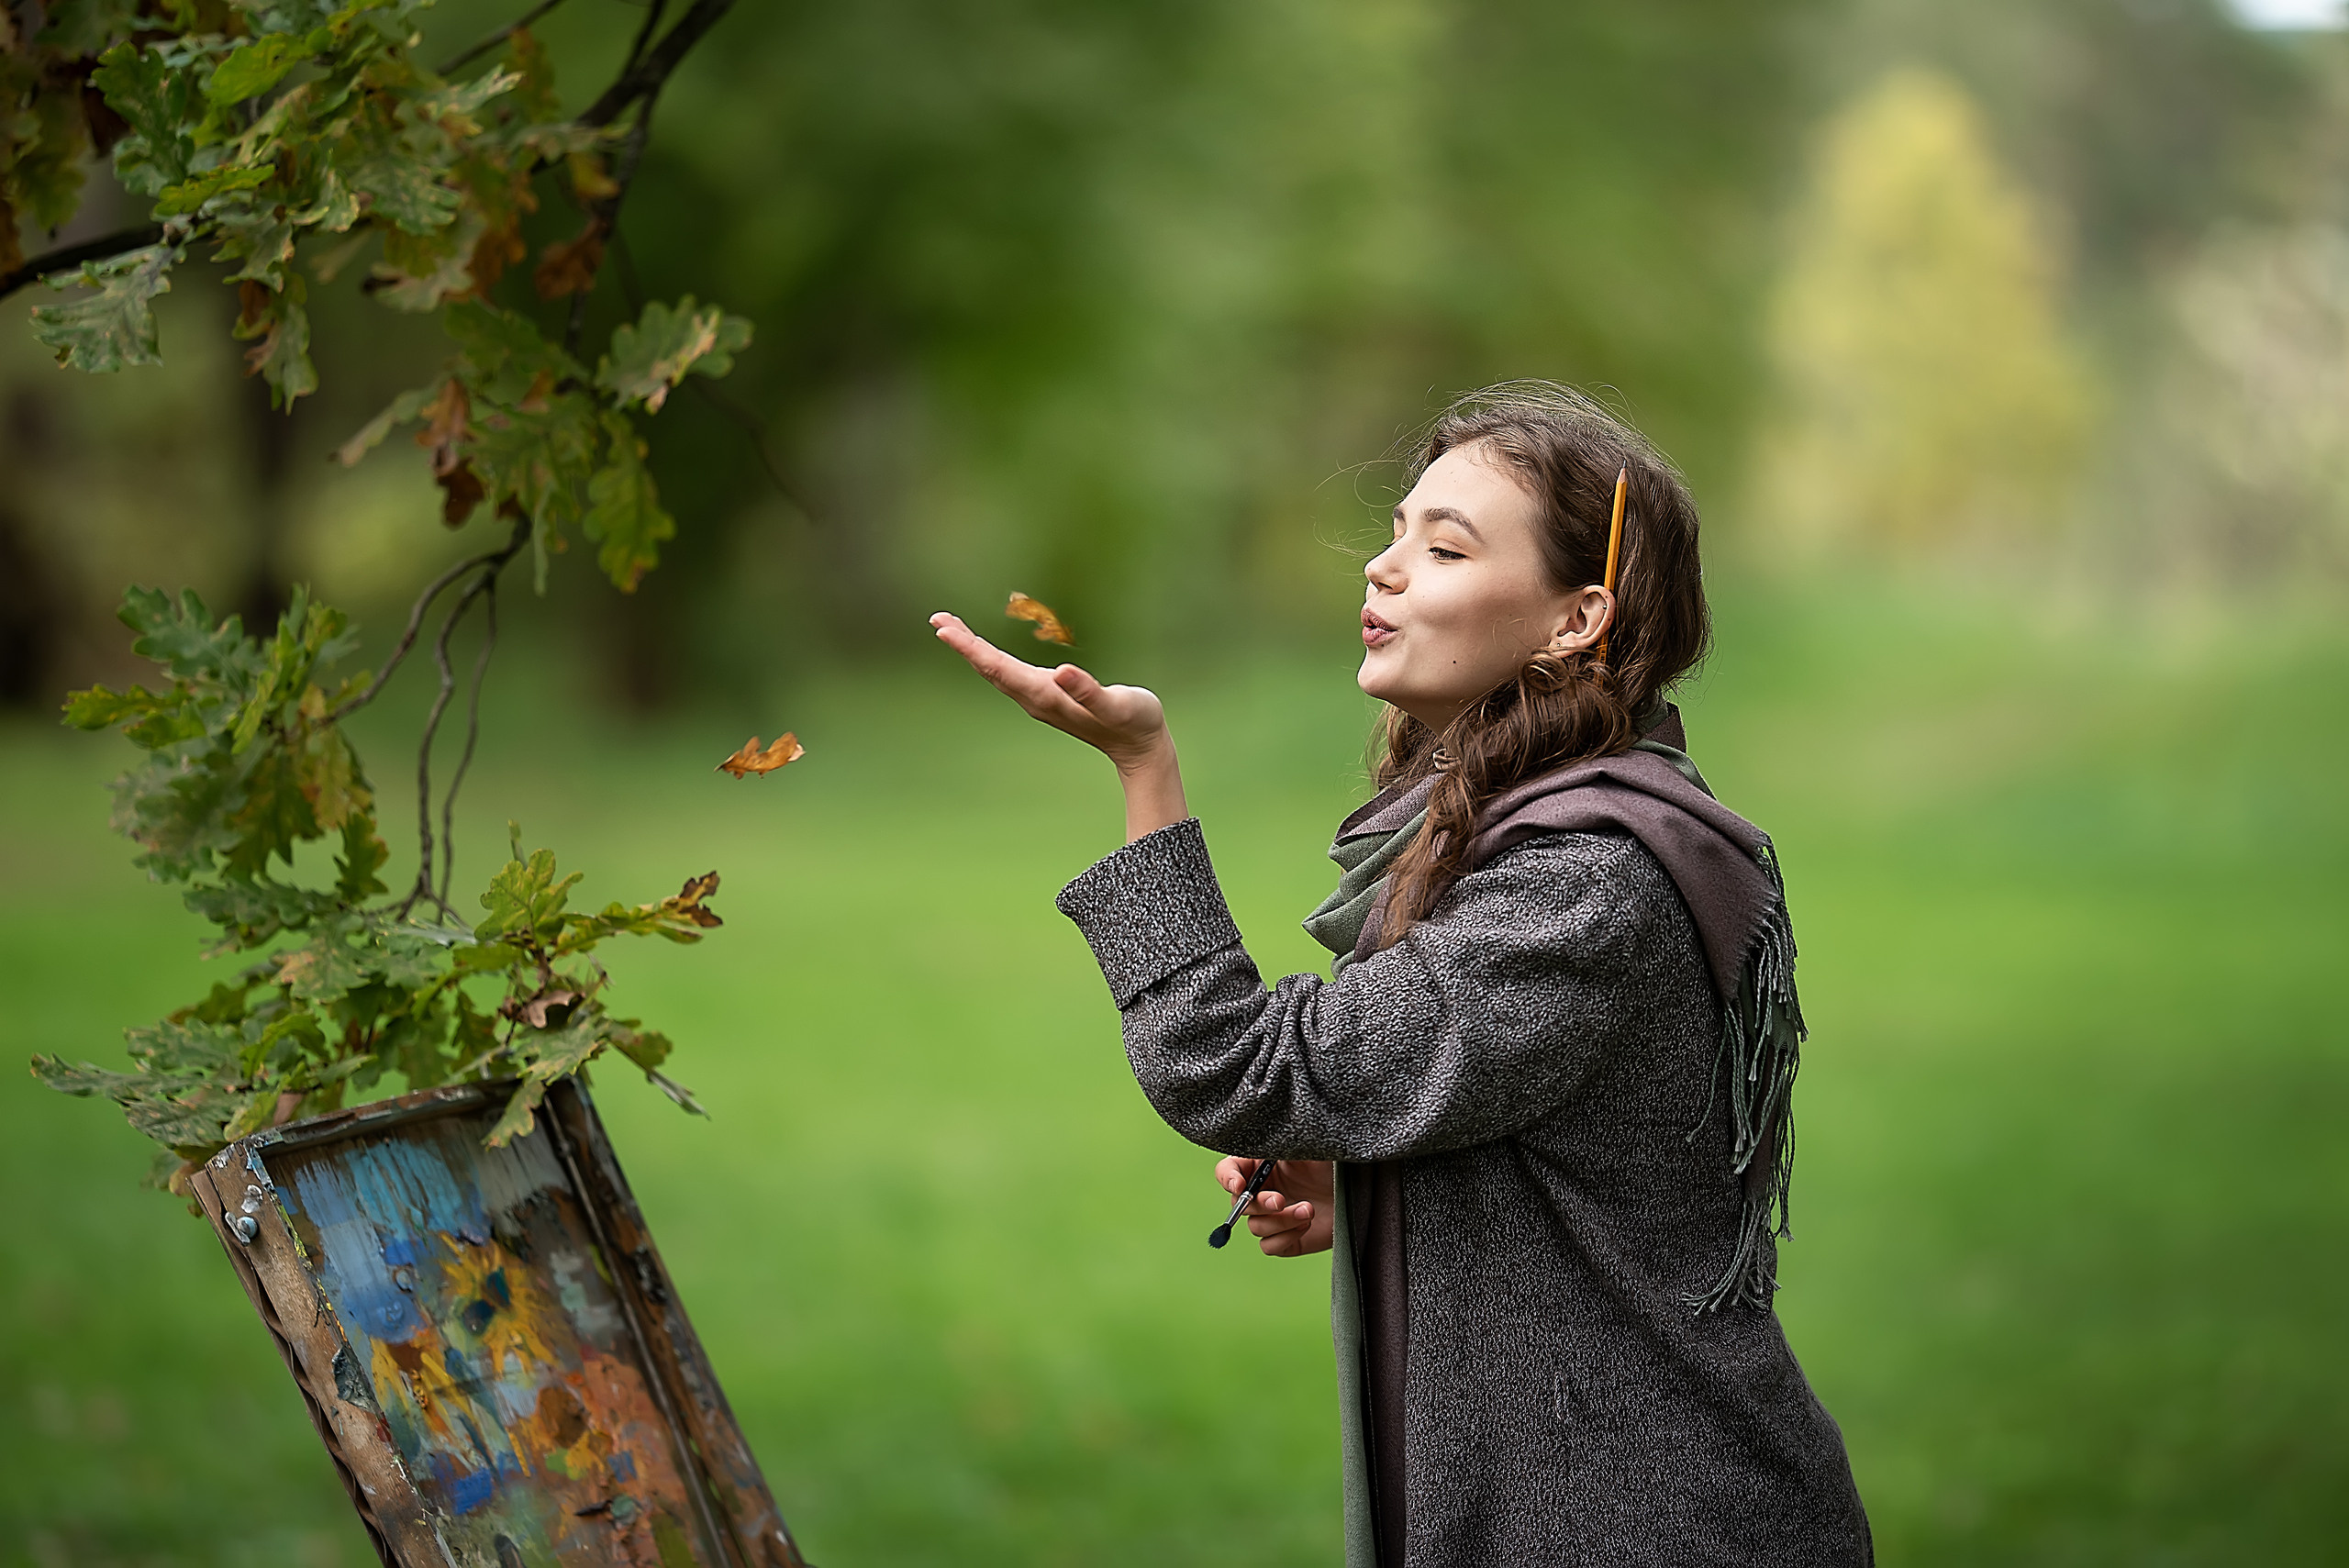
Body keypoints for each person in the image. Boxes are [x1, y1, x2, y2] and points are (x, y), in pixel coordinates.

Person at [930, 382, 1871, 1568]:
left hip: (1653, 1522)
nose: (1383, 567)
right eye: (1394, 533)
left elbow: (1241, 1066)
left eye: (1443, 545)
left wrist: (1142, 764)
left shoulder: (1582, 876)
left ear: (1576, 619)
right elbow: (1566, 1131)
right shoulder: (1544, 832)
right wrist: (1378, 1183)